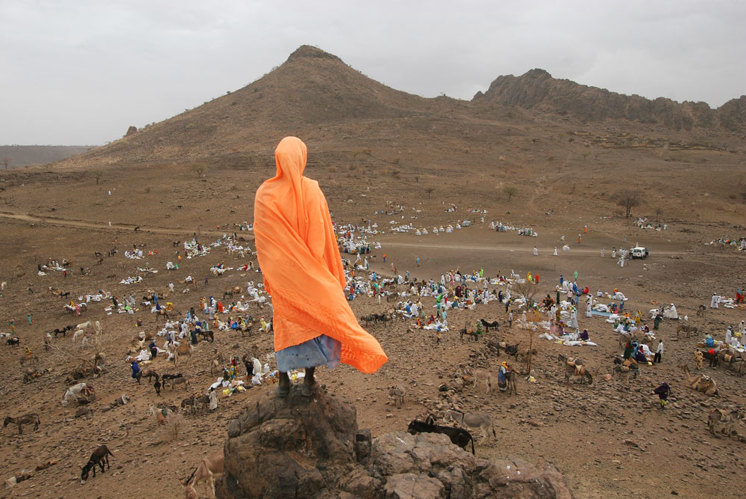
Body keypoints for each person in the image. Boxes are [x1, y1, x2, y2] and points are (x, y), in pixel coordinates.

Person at [254, 137, 387, 397]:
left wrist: (279, 270)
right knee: (318, 319)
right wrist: (315, 269)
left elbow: (264, 241)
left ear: (278, 159)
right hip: (311, 272)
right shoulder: (312, 190)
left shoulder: (264, 193)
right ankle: (309, 379)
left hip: (282, 276)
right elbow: (321, 236)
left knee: (286, 322)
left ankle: (283, 381)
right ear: (302, 158)